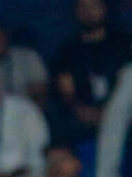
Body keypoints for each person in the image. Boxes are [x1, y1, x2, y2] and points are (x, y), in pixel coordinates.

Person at [52, 0, 131, 145]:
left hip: (125, 116)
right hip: (84, 122)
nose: (88, 12)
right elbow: (66, 92)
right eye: (83, 7)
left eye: (94, 6)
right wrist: (82, 110)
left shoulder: (124, 46)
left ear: (105, 8)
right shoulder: (67, 52)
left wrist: (112, 113)